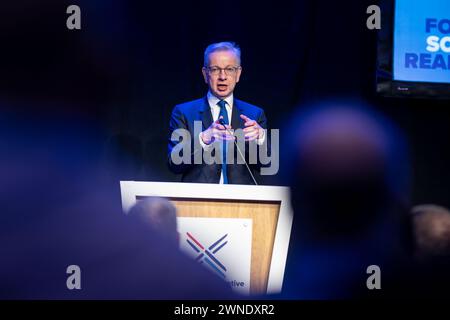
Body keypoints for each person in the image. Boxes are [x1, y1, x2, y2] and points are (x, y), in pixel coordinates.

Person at [168, 42, 269, 184]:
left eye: (229, 69)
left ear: (238, 73)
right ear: (205, 74)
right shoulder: (184, 112)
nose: (223, 76)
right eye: (215, 69)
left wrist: (261, 138)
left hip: (242, 202)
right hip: (198, 200)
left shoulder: (255, 114)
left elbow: (266, 165)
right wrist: (203, 139)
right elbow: (174, 164)